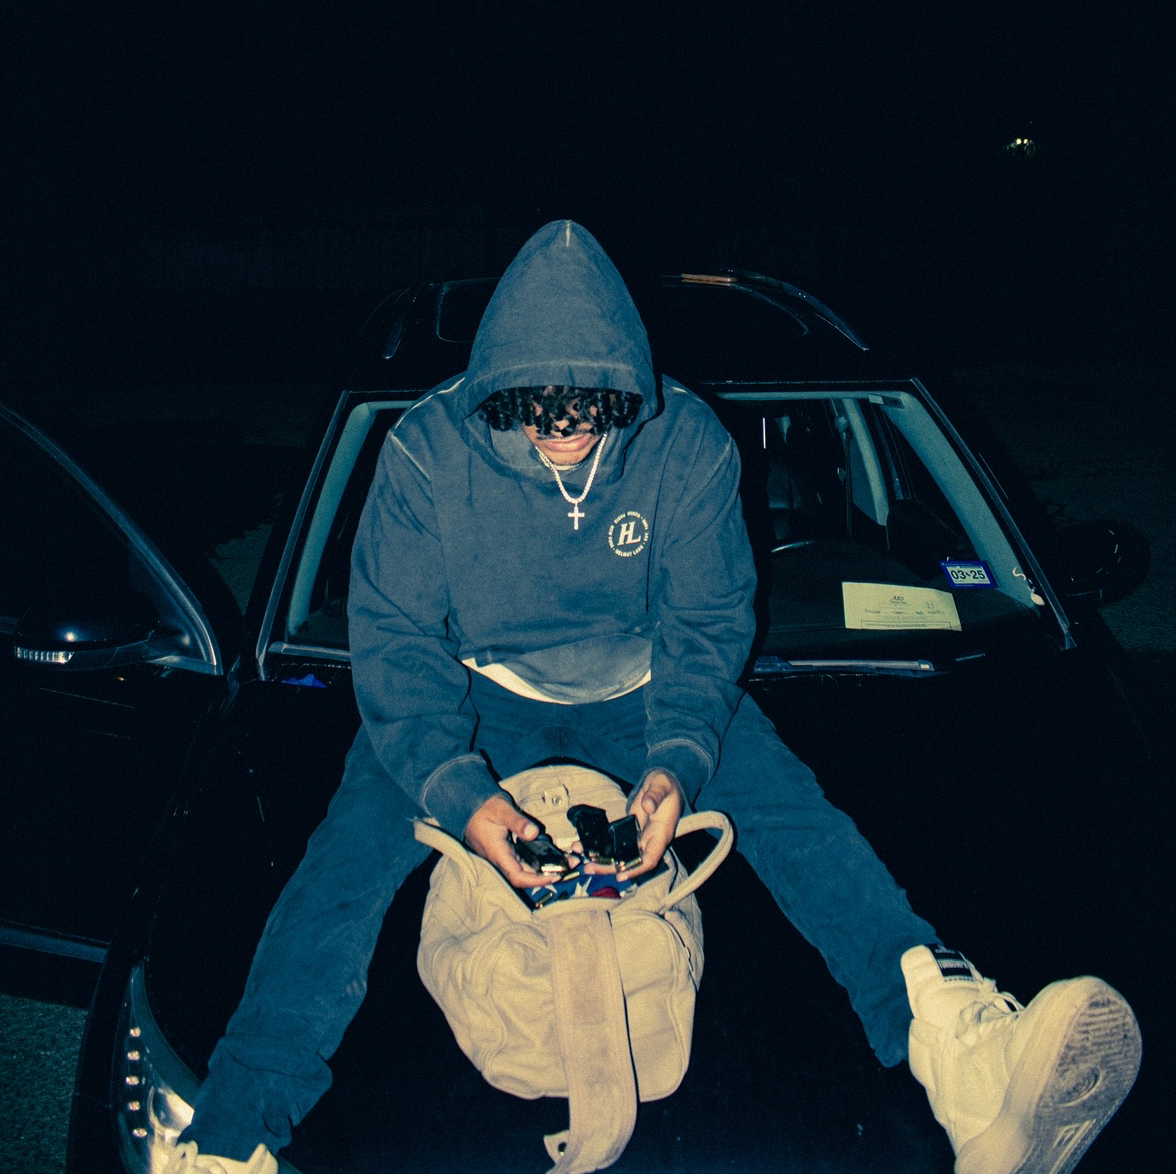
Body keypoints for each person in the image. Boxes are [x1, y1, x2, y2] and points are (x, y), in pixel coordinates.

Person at [167, 221, 1140, 1174]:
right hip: (471, 688)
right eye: (533, 410)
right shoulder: (426, 451)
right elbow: (396, 643)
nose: (561, 434)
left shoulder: (690, 444)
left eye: (587, 410)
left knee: (806, 825)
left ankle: (966, 1052)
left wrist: (677, 762)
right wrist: (460, 793)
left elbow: (708, 623)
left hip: (645, 689)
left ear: (626, 389)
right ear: (496, 392)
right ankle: (231, 1135)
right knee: (338, 873)